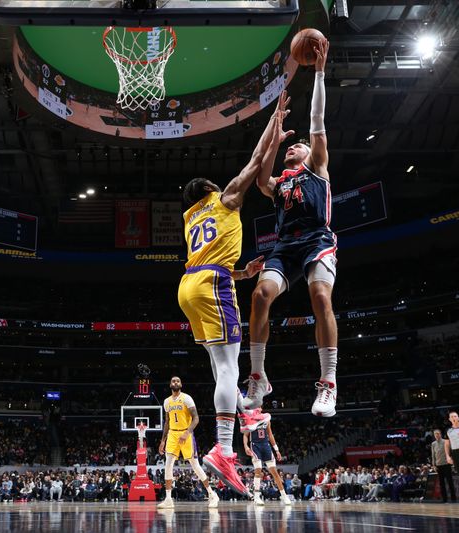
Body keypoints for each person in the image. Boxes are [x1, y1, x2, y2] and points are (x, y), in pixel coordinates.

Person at [178, 94, 291, 497]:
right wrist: (273, 124)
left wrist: (244, 271)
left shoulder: (192, 216)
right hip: (211, 284)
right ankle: (224, 449)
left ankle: (245, 408)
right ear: (210, 189)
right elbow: (256, 161)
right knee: (227, 367)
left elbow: (215, 259)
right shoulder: (223, 199)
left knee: (219, 363)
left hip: (191, 284)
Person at [245, 39, 339, 417]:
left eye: (296, 146)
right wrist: (275, 129)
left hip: (317, 240)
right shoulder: (279, 183)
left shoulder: (316, 165)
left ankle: (328, 383)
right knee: (259, 296)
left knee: (320, 298)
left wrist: (318, 73)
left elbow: (317, 124)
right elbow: (259, 175)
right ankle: (257, 377)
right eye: (291, 147)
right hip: (285, 246)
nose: (293, 147)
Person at [157, 376, 219, 509]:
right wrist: (163, 440)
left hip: (186, 433)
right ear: (170, 384)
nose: (175, 382)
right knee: (168, 465)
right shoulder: (167, 402)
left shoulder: (186, 398)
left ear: (181, 384)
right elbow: (167, 421)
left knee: (195, 465)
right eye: (173, 381)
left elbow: (196, 418)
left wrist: (187, 432)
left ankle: (212, 494)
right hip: (172, 434)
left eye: (178, 381)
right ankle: (168, 499)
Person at [242, 415, 291, 506]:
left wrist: (276, 450)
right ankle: (257, 496)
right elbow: (245, 435)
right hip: (255, 445)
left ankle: (284, 495)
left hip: (266, 445)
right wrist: (246, 446)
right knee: (258, 470)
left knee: (275, 472)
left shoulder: (266, 418)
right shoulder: (249, 419)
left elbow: (270, 434)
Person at [431, 429, 456, 503]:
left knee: (450, 482)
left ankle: (453, 499)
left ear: (440, 434)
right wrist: (434, 465)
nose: (437, 435)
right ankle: (444, 499)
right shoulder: (433, 444)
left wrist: (452, 461)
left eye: (438, 433)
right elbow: (433, 455)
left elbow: (451, 452)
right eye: (435, 434)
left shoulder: (446, 441)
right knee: (441, 484)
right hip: (439, 465)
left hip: (446, 464)